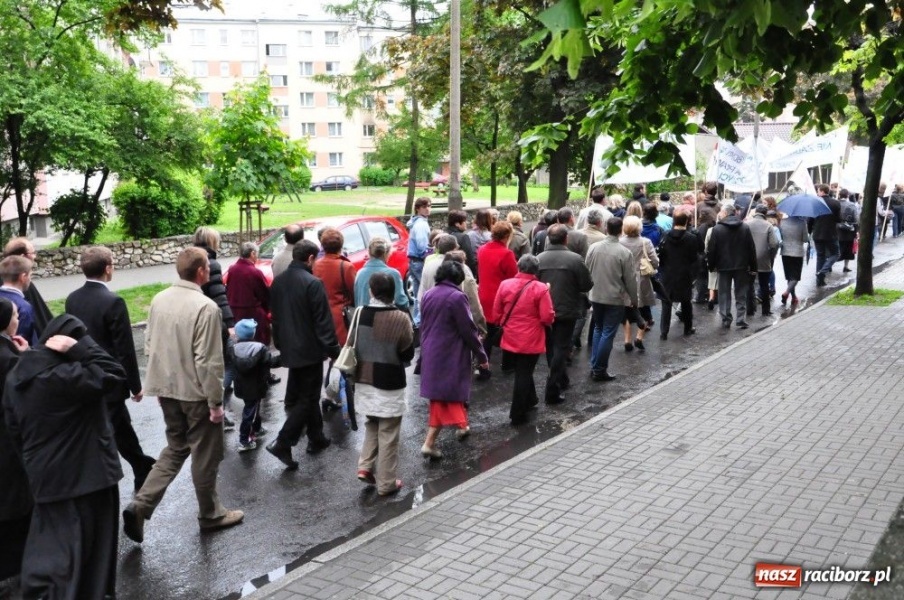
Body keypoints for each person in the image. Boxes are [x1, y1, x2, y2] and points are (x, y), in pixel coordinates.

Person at [123, 248, 243, 544]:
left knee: (175, 448)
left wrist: (158, 388)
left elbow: (151, 345)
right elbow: (209, 361)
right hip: (196, 393)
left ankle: (140, 505)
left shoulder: (158, 299)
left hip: (168, 389)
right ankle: (210, 514)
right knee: (205, 454)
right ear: (202, 271)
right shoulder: (206, 307)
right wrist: (215, 403)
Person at [4, 315, 126, 599]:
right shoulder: (66, 377)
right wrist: (81, 348)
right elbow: (114, 374)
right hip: (89, 479)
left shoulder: (18, 375)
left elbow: (13, 429)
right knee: (93, 556)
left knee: (52, 551)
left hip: (45, 478)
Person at [65, 246, 156, 492]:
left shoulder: (72, 298)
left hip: (84, 376)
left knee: (115, 427)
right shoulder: (113, 301)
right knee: (117, 429)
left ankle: (141, 465)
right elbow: (124, 348)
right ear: (107, 269)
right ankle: (139, 467)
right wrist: (135, 386)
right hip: (110, 378)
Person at [266, 240, 340, 469]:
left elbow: (275, 318)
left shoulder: (278, 282)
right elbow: (323, 323)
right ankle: (283, 441)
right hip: (309, 350)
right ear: (309, 258)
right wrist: (334, 350)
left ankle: (316, 437)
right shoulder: (313, 283)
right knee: (307, 398)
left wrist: (280, 345)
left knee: (305, 395)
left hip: (289, 347)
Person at [353, 272, 415, 495]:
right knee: (388, 431)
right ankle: (386, 483)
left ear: (372, 291)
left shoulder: (359, 314)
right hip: (389, 381)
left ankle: (365, 466)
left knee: (373, 421)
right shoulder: (400, 318)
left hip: (363, 379)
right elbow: (407, 351)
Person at [419, 261, 489, 458]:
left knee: (440, 397)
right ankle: (446, 433)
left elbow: (424, 324)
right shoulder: (457, 297)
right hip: (450, 352)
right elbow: (468, 329)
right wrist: (481, 355)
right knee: (451, 393)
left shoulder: (428, 294)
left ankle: (459, 426)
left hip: (431, 350)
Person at [494, 255, 555, 425]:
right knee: (524, 372)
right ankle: (517, 413)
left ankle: (531, 399)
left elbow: (497, 312)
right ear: (536, 270)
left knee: (523, 369)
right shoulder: (541, 288)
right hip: (531, 337)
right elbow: (547, 316)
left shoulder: (505, 284)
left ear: (518, 267)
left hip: (511, 335)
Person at [538, 225, 593, 403]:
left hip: (544, 310)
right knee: (561, 348)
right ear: (565, 239)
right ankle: (552, 388)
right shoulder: (575, 259)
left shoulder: (538, 259)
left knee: (551, 347)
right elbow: (587, 284)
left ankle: (561, 378)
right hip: (567, 309)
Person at [193, 227, 241, 423]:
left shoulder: (192, 258)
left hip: (196, 318)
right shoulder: (211, 264)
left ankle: (211, 406)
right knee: (229, 363)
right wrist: (230, 325)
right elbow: (219, 296)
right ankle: (216, 407)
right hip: (213, 320)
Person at [584, 217, 638, 382]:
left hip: (596, 295)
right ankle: (600, 368)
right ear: (620, 230)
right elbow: (630, 279)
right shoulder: (624, 253)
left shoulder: (593, 247)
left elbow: (586, 269)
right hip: (614, 297)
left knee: (599, 329)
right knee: (608, 332)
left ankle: (595, 365)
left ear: (606, 228)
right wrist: (634, 298)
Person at [0, 298, 30, 588]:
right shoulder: (8, 358)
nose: (18, 319)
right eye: (15, 315)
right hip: (7, 440)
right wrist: (25, 357)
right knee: (14, 498)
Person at [230, 318, 280, 452]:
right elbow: (270, 362)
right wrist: (283, 358)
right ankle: (244, 440)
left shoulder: (233, 349)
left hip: (241, 386)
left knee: (252, 407)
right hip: (256, 385)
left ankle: (257, 429)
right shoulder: (260, 348)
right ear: (252, 334)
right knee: (250, 412)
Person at [706, 203, 757, 329]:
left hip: (723, 266)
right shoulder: (744, 227)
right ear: (735, 213)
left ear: (724, 213)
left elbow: (712, 250)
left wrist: (711, 266)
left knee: (724, 293)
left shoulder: (717, 229)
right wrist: (753, 266)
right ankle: (740, 318)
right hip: (741, 265)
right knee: (741, 293)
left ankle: (726, 318)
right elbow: (751, 248)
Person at [477, 221, 518, 379]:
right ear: (507, 236)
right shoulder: (506, 254)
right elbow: (513, 277)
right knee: (506, 330)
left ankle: (483, 365)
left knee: (486, 332)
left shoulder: (482, 249)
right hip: (500, 297)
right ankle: (507, 365)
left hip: (484, 294)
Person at [658, 211, 700, 339]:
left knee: (666, 302)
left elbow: (661, 255)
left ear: (673, 221)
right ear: (686, 221)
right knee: (686, 301)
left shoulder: (665, 235)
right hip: (684, 273)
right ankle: (687, 328)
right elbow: (694, 257)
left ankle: (664, 331)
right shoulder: (691, 238)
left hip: (668, 273)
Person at [620, 216, 659, 351]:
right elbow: (654, 261)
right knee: (644, 310)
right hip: (642, 279)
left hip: (624, 279)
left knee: (626, 311)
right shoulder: (645, 242)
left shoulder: (619, 242)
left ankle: (627, 340)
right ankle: (639, 337)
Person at [312, 228, 357, 345]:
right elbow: (354, 292)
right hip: (340, 318)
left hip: (320, 316)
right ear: (341, 245)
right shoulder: (346, 266)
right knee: (343, 355)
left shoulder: (315, 265)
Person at [3, 238, 52, 335]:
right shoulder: (22, 285)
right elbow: (39, 322)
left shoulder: (5, 280)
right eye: (33, 252)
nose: (35, 256)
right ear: (22, 257)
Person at [227, 242, 272, 345]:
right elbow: (264, 295)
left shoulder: (232, 269)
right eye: (256, 253)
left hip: (235, 313)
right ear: (252, 254)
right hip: (252, 314)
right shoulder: (254, 272)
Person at [353, 237, 409, 310]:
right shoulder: (393, 274)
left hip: (363, 319)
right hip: (386, 319)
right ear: (387, 253)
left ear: (369, 252)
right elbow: (402, 303)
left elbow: (357, 301)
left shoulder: (360, 274)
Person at [746, 205, 780, 316]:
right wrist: (771, 256)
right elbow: (774, 244)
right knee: (764, 285)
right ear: (765, 214)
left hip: (749, 260)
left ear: (755, 212)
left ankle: (749, 310)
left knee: (749, 285)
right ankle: (765, 311)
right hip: (764, 260)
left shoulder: (747, 224)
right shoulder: (768, 226)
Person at [0, 256, 38, 345]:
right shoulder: (24, 307)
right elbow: (19, 342)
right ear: (23, 277)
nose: (30, 279)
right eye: (30, 275)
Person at [406, 197, 431, 328]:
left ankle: (416, 321)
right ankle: (421, 322)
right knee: (425, 292)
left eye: (429, 206)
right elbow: (423, 247)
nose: (428, 209)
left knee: (417, 294)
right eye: (424, 206)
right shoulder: (421, 224)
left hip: (414, 262)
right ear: (418, 208)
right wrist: (432, 254)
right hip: (420, 262)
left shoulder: (415, 222)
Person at [812, 183, 841, 287]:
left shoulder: (815, 203)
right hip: (831, 233)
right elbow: (838, 219)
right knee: (835, 254)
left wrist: (811, 230)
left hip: (818, 233)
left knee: (820, 256)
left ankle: (819, 280)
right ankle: (822, 272)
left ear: (822, 191)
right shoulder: (835, 203)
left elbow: (810, 219)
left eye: (818, 191)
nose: (817, 193)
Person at [778, 216, 808, 306]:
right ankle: (786, 293)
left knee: (789, 277)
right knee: (795, 277)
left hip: (785, 252)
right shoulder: (802, 223)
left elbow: (780, 236)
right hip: (797, 253)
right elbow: (805, 239)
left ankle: (794, 297)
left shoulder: (782, 222)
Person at [445, 209, 477, 274]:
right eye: (464, 221)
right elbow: (469, 259)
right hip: (460, 272)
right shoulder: (463, 237)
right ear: (457, 224)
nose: (467, 223)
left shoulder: (444, 235)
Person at [837, 189, 861, 272]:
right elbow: (856, 218)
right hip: (849, 230)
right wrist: (857, 229)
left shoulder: (835, 203)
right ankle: (845, 266)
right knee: (848, 248)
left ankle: (830, 265)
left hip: (837, 229)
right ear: (847, 195)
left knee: (836, 247)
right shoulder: (851, 205)